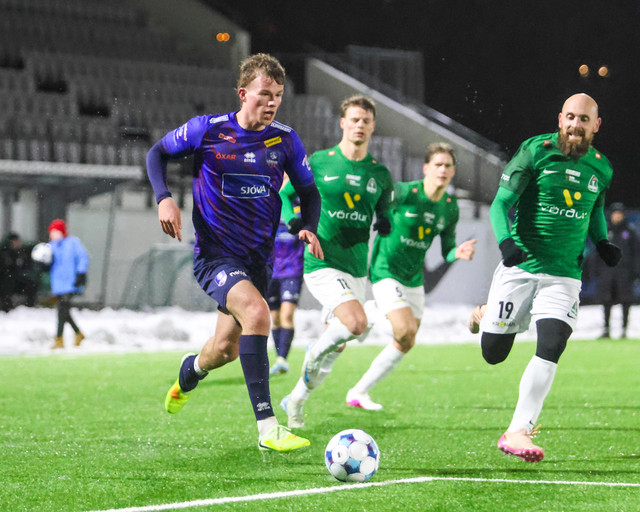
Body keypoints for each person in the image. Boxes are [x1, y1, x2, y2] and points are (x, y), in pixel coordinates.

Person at [145, 53, 323, 454]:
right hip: (215, 256)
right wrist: (163, 198)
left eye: (278, 96)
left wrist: (308, 225)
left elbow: (309, 192)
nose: (272, 103)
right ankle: (268, 428)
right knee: (259, 314)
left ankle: (191, 370)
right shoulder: (208, 130)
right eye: (264, 94)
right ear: (243, 94)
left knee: (224, 350)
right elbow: (156, 153)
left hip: (258, 260)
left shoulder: (285, 140)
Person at [468, 93, 621, 462]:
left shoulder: (602, 167)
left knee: (552, 343)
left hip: (564, 275)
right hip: (521, 266)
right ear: (560, 119)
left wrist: (602, 241)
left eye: (584, 119)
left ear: (596, 125)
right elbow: (501, 203)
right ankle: (483, 313)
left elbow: (594, 209)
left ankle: (518, 430)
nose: (575, 125)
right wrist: (506, 243)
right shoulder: (535, 151)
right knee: (493, 353)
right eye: (570, 117)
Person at [279, 94, 394, 429]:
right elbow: (285, 194)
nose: (360, 125)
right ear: (343, 123)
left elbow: (384, 210)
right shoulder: (319, 161)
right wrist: (295, 222)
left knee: (339, 344)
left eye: (366, 121)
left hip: (356, 268)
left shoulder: (380, 173)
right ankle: (314, 350)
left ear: (372, 126)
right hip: (322, 261)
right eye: (354, 119)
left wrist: (385, 222)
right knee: (356, 323)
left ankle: (295, 400)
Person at [345, 142, 477, 410]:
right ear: (426, 168)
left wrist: (457, 253)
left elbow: (448, 249)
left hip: (414, 278)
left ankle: (358, 392)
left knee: (407, 340)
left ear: (453, 172)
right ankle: (370, 313)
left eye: (448, 166)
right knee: (404, 329)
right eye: (438, 165)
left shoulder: (450, 207)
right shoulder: (406, 192)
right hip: (385, 269)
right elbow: (378, 202)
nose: (443, 170)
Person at [267, 176, 305, 375]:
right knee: (275, 318)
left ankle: (283, 359)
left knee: (287, 314)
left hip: (293, 270)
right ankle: (279, 357)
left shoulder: (299, 207)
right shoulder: (269, 204)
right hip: (271, 270)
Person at [594, 203, 640, 338]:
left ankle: (624, 329)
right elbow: (596, 253)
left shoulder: (630, 232)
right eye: (615, 214)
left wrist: (636, 272)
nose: (617, 216)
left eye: (619, 214)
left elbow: (636, 254)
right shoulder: (604, 232)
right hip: (607, 272)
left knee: (626, 300)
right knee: (606, 301)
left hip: (625, 274)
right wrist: (597, 270)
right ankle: (606, 329)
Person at [48, 219, 90, 349]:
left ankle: (59, 339)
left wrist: (81, 273)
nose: (53, 235)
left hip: (71, 282)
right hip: (58, 283)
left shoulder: (73, 243)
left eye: (55, 231)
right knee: (64, 311)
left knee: (62, 310)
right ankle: (78, 333)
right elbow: (48, 262)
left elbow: (83, 257)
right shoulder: (51, 246)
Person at [0, 232, 38, 312]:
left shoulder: (20, 252)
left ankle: (29, 306)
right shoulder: (5, 254)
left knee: (31, 284)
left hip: (15, 279)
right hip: (6, 280)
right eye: (16, 241)